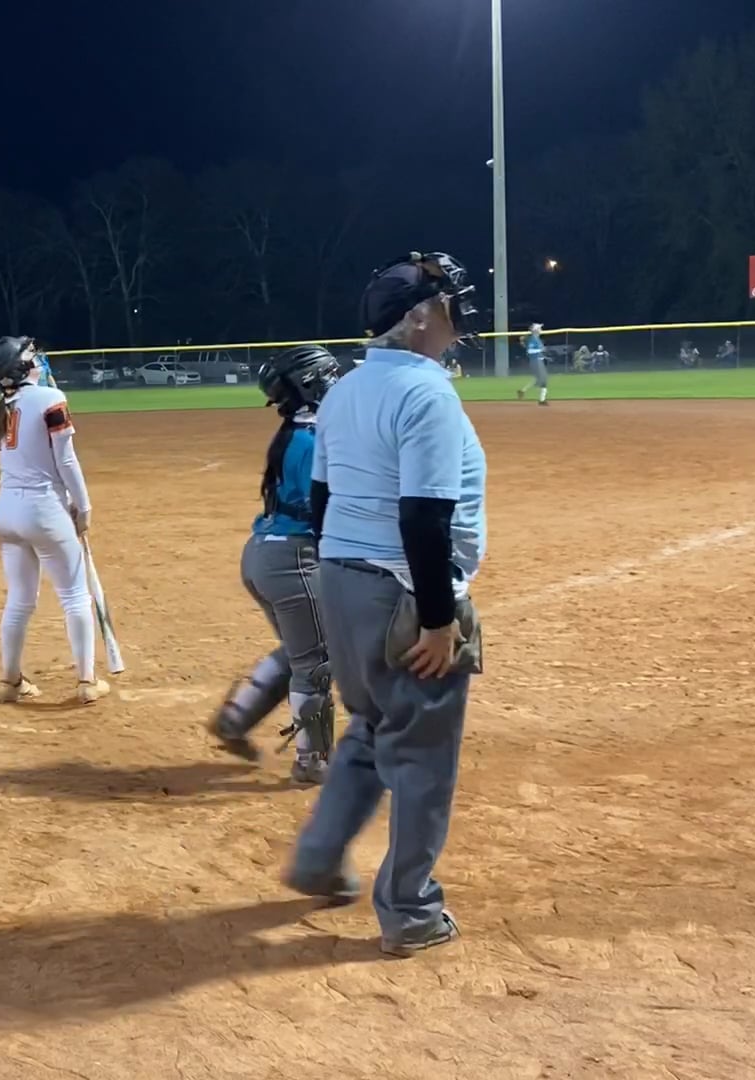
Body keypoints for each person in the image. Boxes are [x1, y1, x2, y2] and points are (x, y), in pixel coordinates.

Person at [286, 251, 487, 958]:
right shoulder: (426, 393)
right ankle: (410, 912)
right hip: (403, 587)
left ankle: (319, 856)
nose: (459, 311)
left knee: (372, 725)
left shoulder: (343, 391)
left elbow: (321, 502)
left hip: (343, 580)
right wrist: (436, 618)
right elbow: (424, 516)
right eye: (450, 301)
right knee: (424, 763)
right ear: (421, 316)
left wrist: (347, 581)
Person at [207, 344, 348, 785]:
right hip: (293, 561)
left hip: (265, 555)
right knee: (316, 661)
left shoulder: (298, 432)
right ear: (312, 386)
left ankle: (236, 718)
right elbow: (326, 512)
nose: (337, 382)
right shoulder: (312, 439)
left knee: (301, 649)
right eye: (329, 376)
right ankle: (313, 761)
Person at [0, 334, 109, 706]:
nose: (37, 358)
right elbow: (65, 460)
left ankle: (10, 682)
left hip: (6, 512)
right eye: (30, 355)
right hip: (43, 509)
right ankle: (86, 681)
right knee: (75, 596)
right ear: (19, 368)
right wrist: (83, 506)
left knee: (20, 600)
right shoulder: (50, 398)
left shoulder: (2, 409)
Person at [516, 322, 548, 404]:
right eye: (539, 328)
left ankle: (523, 391)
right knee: (543, 380)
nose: (541, 330)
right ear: (536, 330)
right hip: (535, 361)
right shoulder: (533, 339)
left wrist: (543, 355)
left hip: (538, 360)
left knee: (539, 379)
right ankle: (542, 400)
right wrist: (541, 350)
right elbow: (530, 351)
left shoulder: (537, 339)